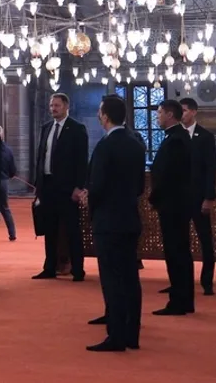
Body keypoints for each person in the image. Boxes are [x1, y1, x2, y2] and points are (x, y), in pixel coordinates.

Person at [84, 95, 146, 353]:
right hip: (129, 218)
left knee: (112, 280)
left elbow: (97, 185)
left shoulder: (106, 146)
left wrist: (90, 201)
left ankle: (116, 336)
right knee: (130, 278)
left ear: (106, 116)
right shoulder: (135, 143)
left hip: (108, 221)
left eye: (100, 112)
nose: (99, 116)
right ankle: (131, 334)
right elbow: (140, 186)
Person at [33, 92, 89, 282]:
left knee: (72, 230)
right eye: (51, 105)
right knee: (50, 229)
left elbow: (81, 161)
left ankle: (78, 270)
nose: (53, 109)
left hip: (67, 188)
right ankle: (50, 267)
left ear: (66, 107)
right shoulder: (46, 128)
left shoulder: (77, 128)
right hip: (47, 186)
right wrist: (38, 185)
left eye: (57, 105)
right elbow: (41, 157)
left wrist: (78, 187)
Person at [149, 99, 194, 316]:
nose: (157, 117)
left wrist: (155, 197)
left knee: (176, 253)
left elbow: (168, 176)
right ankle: (184, 299)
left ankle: (179, 301)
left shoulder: (176, 140)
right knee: (180, 252)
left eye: (159, 113)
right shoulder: (177, 137)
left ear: (169, 115)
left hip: (173, 205)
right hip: (176, 203)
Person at [179, 97, 216, 295]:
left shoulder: (205, 136)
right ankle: (180, 281)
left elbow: (211, 169)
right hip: (179, 198)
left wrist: (209, 197)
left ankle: (207, 282)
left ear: (193, 112)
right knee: (179, 242)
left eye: (184, 110)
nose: (182, 114)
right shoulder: (175, 135)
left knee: (205, 240)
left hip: (199, 197)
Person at [0, 126, 18, 242]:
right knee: (5, 208)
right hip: (3, 182)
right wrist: (10, 175)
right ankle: (12, 234)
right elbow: (12, 169)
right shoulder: (8, 150)